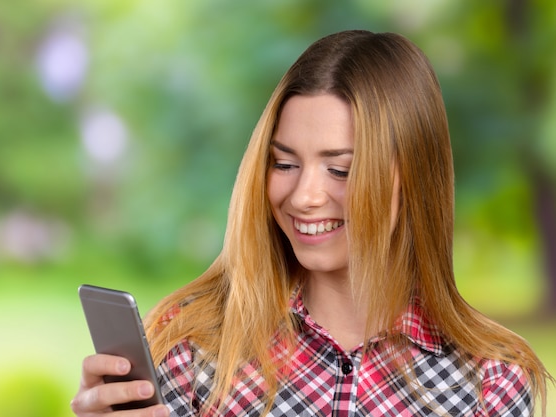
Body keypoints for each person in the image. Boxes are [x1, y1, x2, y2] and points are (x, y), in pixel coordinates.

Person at [70, 30, 552, 417]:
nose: (303, 196)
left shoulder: (490, 381)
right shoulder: (195, 348)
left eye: (341, 169)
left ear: (414, 180)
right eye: (284, 164)